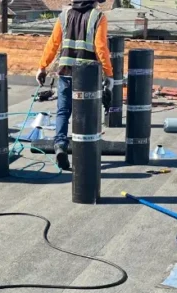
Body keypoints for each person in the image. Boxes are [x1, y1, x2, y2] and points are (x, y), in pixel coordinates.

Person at [36, 0, 114, 171]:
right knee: (86, 114)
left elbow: (53, 44)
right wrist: (109, 74)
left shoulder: (64, 16)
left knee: (63, 111)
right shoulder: (98, 17)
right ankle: (85, 151)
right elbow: (100, 48)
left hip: (65, 72)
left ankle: (60, 145)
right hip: (87, 76)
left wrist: (42, 67)